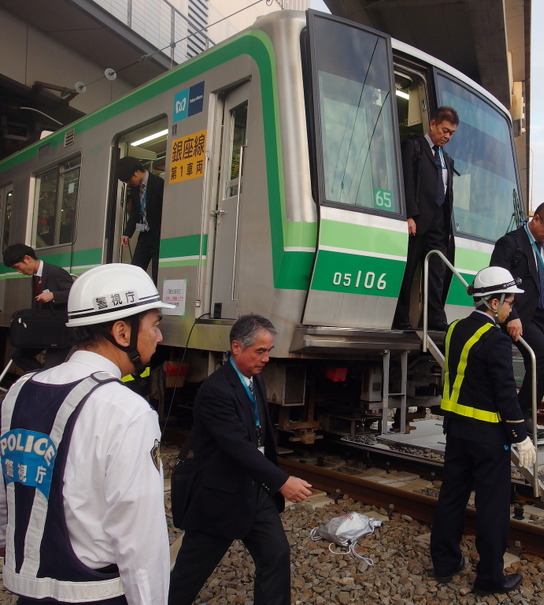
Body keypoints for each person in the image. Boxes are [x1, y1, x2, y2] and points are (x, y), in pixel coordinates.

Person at [0, 263, 173, 604]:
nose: (159, 336)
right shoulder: (128, 411)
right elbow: (140, 540)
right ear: (122, 332)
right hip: (97, 595)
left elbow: (7, 492)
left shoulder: (20, 390)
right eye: (154, 325)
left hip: (29, 593)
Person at [169, 314, 312, 605]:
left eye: (269, 350)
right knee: (190, 572)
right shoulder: (215, 391)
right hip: (220, 495)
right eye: (260, 351)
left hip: (254, 490)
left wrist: (270, 481)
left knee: (275, 555)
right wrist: (282, 481)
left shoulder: (252, 379)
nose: (266, 358)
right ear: (236, 347)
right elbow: (236, 445)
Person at [430, 266, 536, 596]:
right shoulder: (496, 342)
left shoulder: (455, 329)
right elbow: (505, 393)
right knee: (492, 508)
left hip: (457, 430)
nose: (510, 308)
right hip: (489, 438)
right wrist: (521, 435)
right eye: (508, 302)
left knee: (452, 497)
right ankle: (489, 578)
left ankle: (445, 563)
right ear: (492, 303)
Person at [490, 201, 544, 416]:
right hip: (522, 315)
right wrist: (510, 315)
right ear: (536, 219)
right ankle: (518, 415)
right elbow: (497, 279)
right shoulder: (510, 243)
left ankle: (526, 415)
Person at [393, 106, 460, 331]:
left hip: (439, 225)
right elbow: (407, 182)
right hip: (418, 220)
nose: (447, 136)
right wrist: (409, 215)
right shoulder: (414, 147)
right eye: (444, 130)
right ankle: (400, 317)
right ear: (432, 124)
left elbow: (447, 192)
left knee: (436, 273)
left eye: (451, 133)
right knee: (408, 270)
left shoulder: (447, 160)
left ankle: (435, 317)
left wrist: (449, 228)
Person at [2, 243, 74, 372]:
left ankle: (46, 378)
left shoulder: (55, 272)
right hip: (45, 331)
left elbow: (75, 294)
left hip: (60, 332)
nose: (19, 271)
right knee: (17, 355)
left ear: (27, 259)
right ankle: (41, 377)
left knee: (51, 368)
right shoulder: (36, 276)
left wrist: (53, 295)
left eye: (18, 267)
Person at [116, 156, 164, 282]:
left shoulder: (159, 184)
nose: (129, 183)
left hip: (159, 235)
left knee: (157, 273)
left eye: (129, 180)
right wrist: (127, 233)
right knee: (135, 270)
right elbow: (136, 211)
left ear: (137, 172)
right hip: (145, 236)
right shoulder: (136, 187)